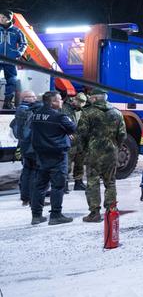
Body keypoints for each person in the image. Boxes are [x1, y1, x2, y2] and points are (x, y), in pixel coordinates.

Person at [76, 88, 126, 222]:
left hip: (94, 153)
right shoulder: (117, 112)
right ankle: (111, 210)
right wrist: (116, 147)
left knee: (93, 182)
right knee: (110, 182)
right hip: (111, 152)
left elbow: (81, 134)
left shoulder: (87, 113)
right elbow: (122, 135)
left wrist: (83, 150)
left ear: (94, 98)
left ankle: (94, 213)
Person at [30, 91, 77, 225]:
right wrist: (66, 132)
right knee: (58, 186)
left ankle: (36, 215)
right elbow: (73, 127)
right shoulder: (59, 116)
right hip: (57, 155)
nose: (62, 102)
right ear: (53, 102)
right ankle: (56, 215)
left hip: (41, 155)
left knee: (40, 186)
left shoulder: (36, 114)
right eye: (59, 100)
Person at [10, 90, 41, 206]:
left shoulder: (20, 110)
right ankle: (33, 198)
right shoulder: (28, 110)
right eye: (32, 97)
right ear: (25, 98)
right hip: (32, 146)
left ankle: (25, 198)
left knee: (27, 171)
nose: (35, 98)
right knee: (34, 171)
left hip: (24, 146)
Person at [1, 10, 28, 109]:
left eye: (3, 17)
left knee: (12, 81)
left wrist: (18, 53)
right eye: (0, 17)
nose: (0, 19)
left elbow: (24, 43)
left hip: (10, 61)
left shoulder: (17, 31)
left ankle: (7, 103)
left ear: (9, 19)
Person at [61, 92, 88, 191]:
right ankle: (64, 184)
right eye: (79, 103)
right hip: (70, 139)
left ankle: (78, 182)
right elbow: (60, 122)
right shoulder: (64, 107)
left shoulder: (82, 109)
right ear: (75, 100)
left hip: (80, 139)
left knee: (80, 162)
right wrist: (67, 133)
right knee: (67, 162)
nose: (80, 106)